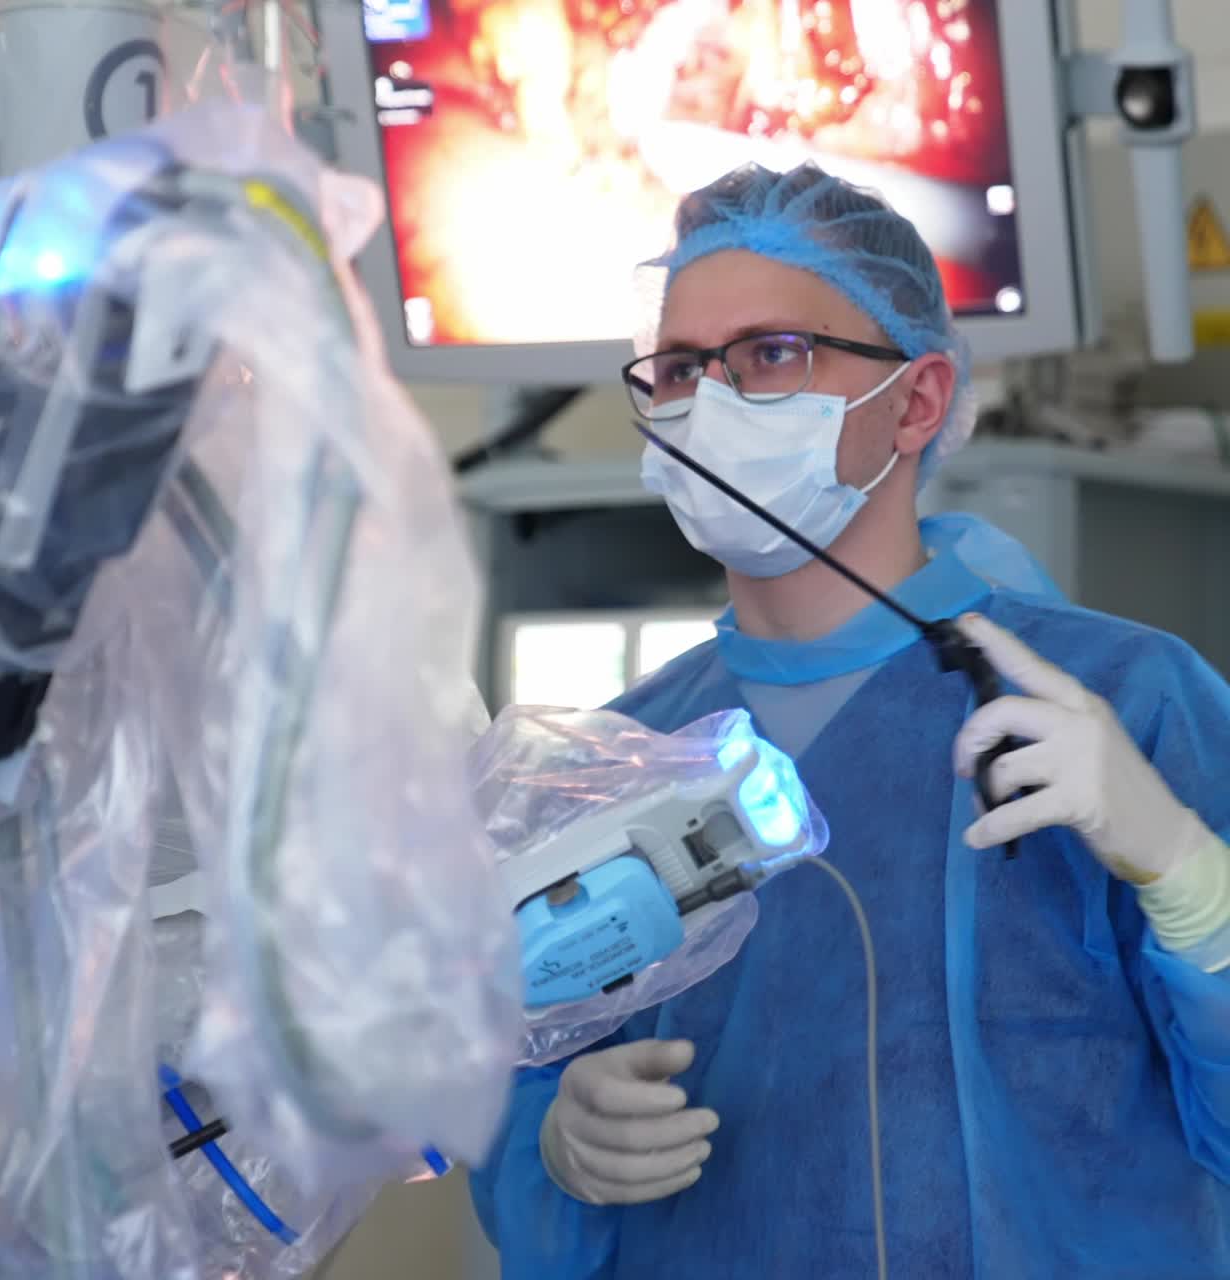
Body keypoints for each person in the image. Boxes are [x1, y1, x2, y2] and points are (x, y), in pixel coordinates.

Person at [469, 162, 1230, 1278]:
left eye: (771, 354)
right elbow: (519, 1136)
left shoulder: (1122, 703)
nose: (709, 402)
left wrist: (1189, 880)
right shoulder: (610, 762)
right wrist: (550, 1145)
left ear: (914, 402)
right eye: (680, 368)